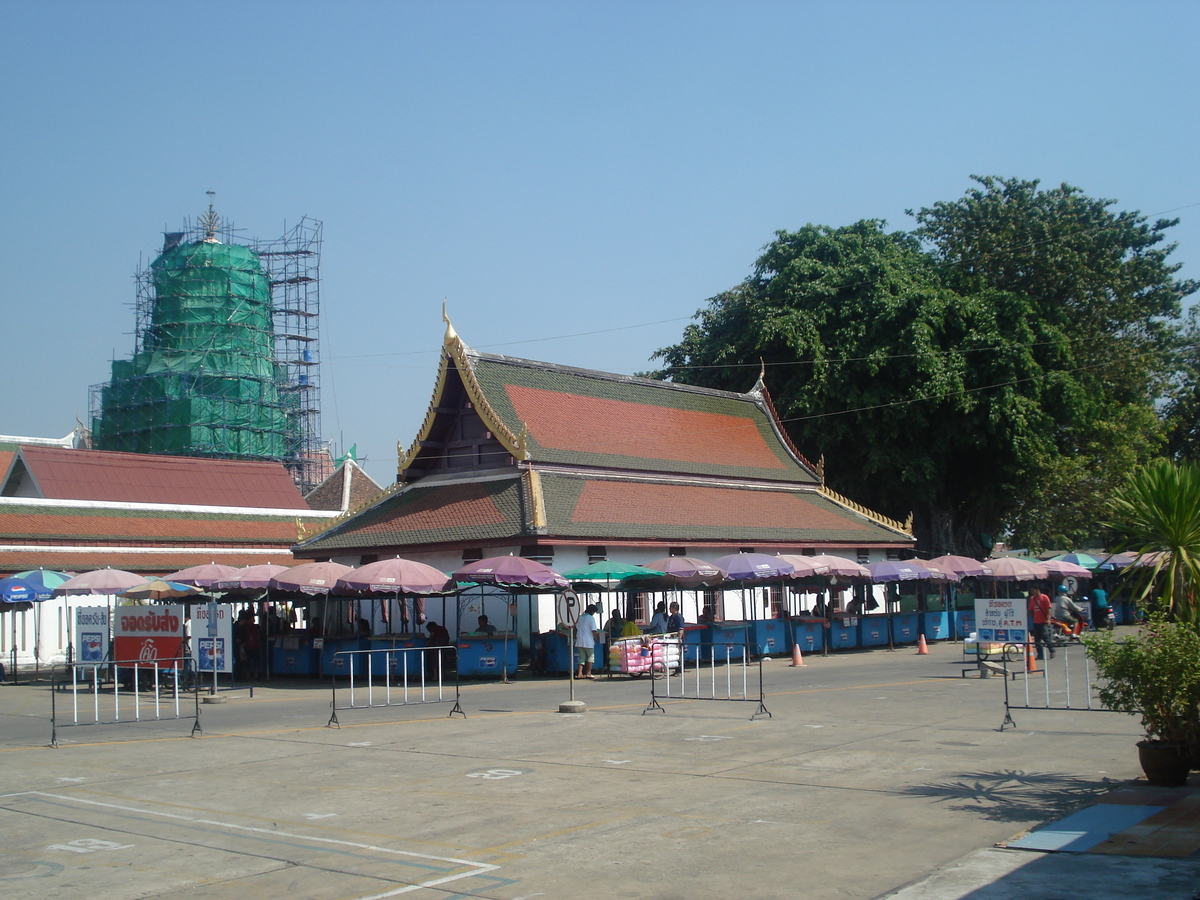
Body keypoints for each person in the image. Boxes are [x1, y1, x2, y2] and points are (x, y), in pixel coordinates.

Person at [1027, 586, 1054, 660]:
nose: (1032, 592)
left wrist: (1048, 619)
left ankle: (1052, 650)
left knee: (1045, 636)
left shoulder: (1044, 597)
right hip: (1036, 621)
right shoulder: (1032, 599)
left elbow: (1049, 608)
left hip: (1043, 621)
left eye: (1033, 590)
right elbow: (1031, 609)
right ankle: (1040, 655)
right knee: (1037, 639)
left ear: (1037, 590)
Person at [575, 603, 599, 679]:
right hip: (588, 641)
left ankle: (579, 673)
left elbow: (575, 628)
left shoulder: (579, 617)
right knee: (590, 657)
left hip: (579, 640)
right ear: (592, 612)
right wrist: (595, 638)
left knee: (581, 657)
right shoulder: (590, 618)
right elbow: (594, 630)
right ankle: (588, 673)